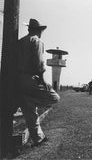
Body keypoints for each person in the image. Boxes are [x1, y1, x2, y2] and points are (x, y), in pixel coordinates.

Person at [16, 19, 60, 147]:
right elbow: (39, 63)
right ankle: (31, 100)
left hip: (19, 79)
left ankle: (38, 139)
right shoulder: (37, 41)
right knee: (54, 98)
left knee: (30, 112)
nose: (42, 33)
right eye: (41, 30)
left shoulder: (20, 42)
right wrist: (43, 80)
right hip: (32, 78)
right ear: (38, 30)